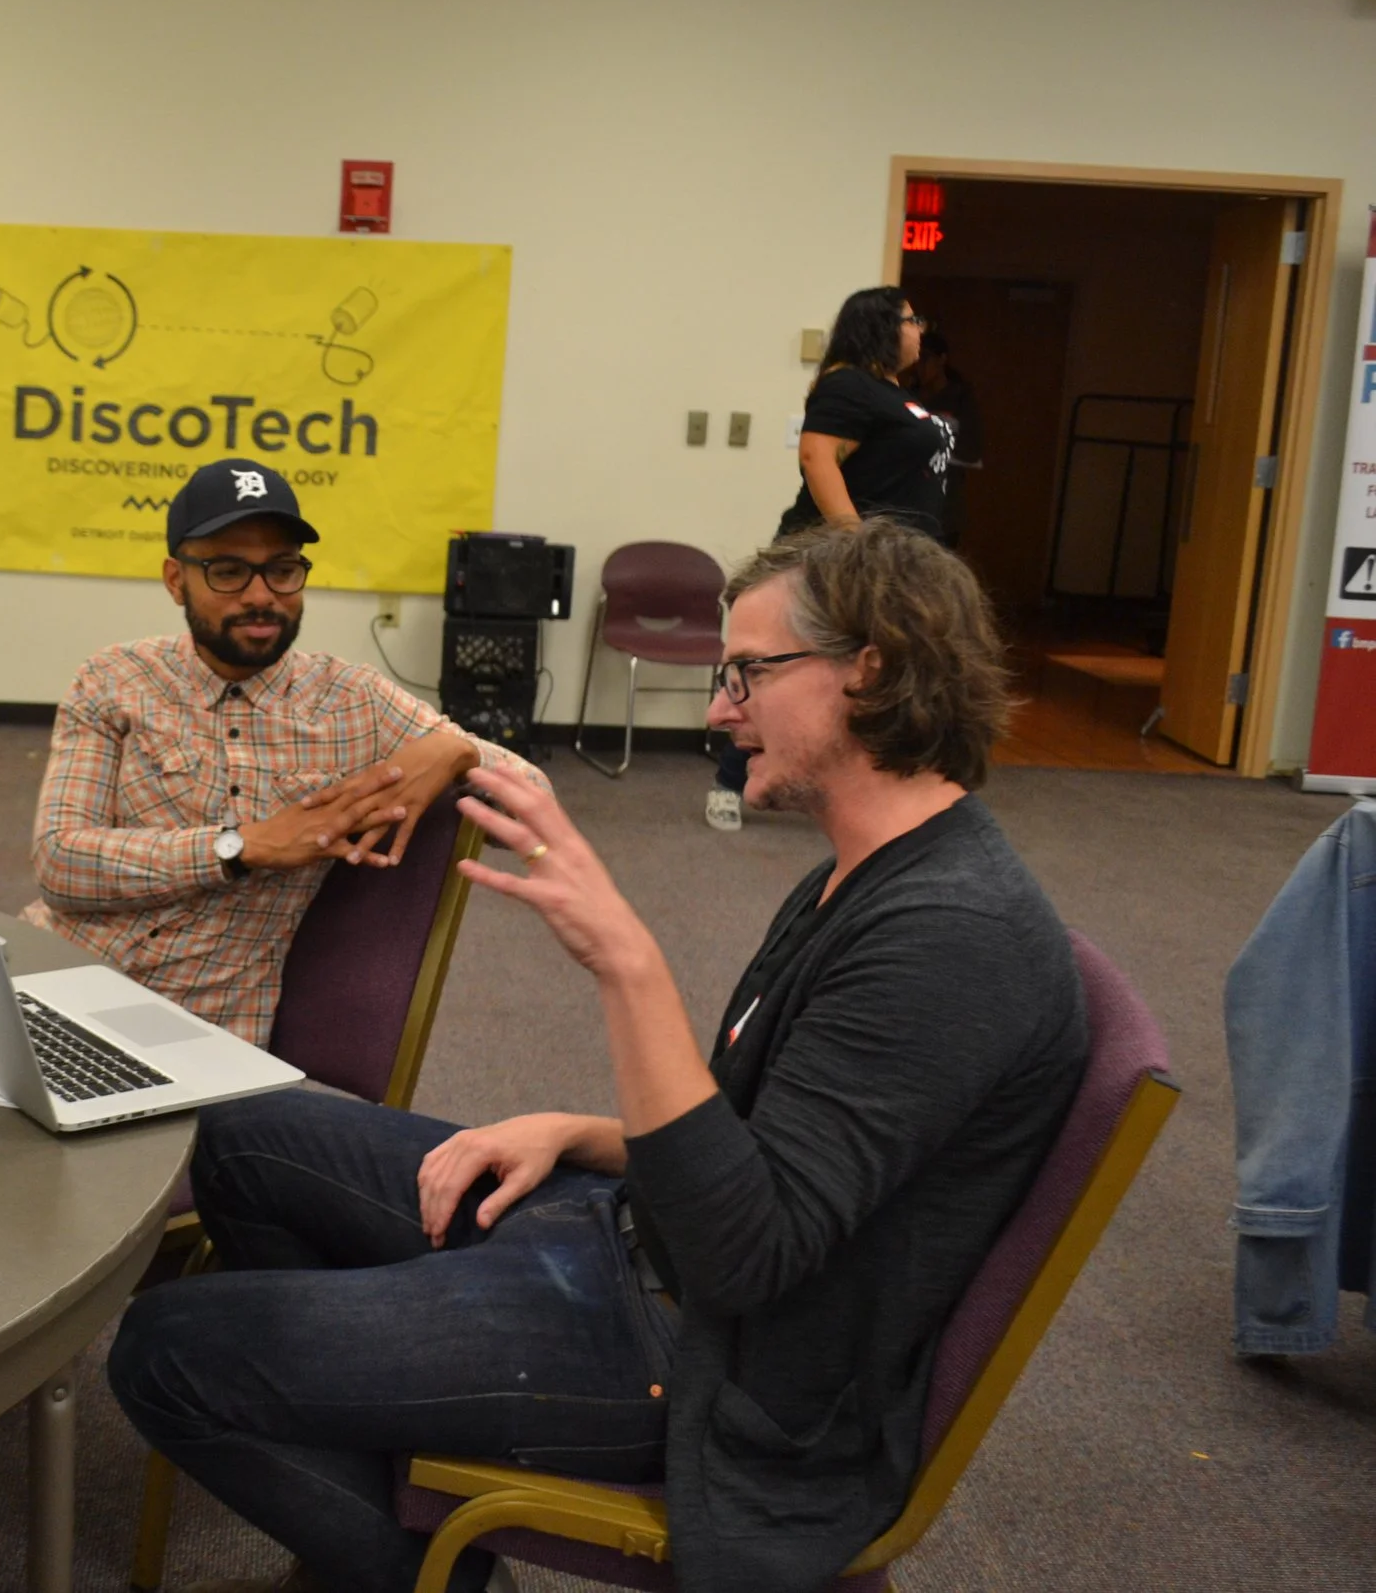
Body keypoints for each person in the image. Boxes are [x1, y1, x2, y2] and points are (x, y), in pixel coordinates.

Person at [109, 520, 1086, 1593]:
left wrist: (627, 962)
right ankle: (371, 1455)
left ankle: (417, 1563)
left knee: (165, 1346)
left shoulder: (951, 936)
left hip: (701, 1356)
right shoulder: (867, 875)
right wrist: (581, 1133)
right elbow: (772, 1143)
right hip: (645, 1239)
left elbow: (745, 1254)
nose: (719, 708)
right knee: (248, 1135)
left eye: (749, 674)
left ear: (873, 669)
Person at [23, 459, 546, 1044]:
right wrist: (240, 847)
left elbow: (536, 810)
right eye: (227, 572)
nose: (260, 596)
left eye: (282, 570)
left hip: (195, 1028)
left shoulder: (355, 703)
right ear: (176, 580)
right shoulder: (114, 678)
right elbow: (59, 862)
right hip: (54, 972)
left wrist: (457, 752)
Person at [708, 287, 952, 832]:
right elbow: (818, 459)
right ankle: (731, 779)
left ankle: (877, 788)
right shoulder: (848, 384)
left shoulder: (896, 394)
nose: (920, 330)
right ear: (880, 327)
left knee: (879, 675)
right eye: (913, 320)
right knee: (798, 672)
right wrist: (854, 545)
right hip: (842, 563)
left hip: (902, 560)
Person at [908, 329, 982, 550]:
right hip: (909, 498)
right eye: (917, 358)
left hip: (945, 501)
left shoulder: (960, 398)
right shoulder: (909, 395)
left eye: (926, 358)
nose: (920, 365)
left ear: (941, 359)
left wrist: (936, 438)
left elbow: (971, 451)